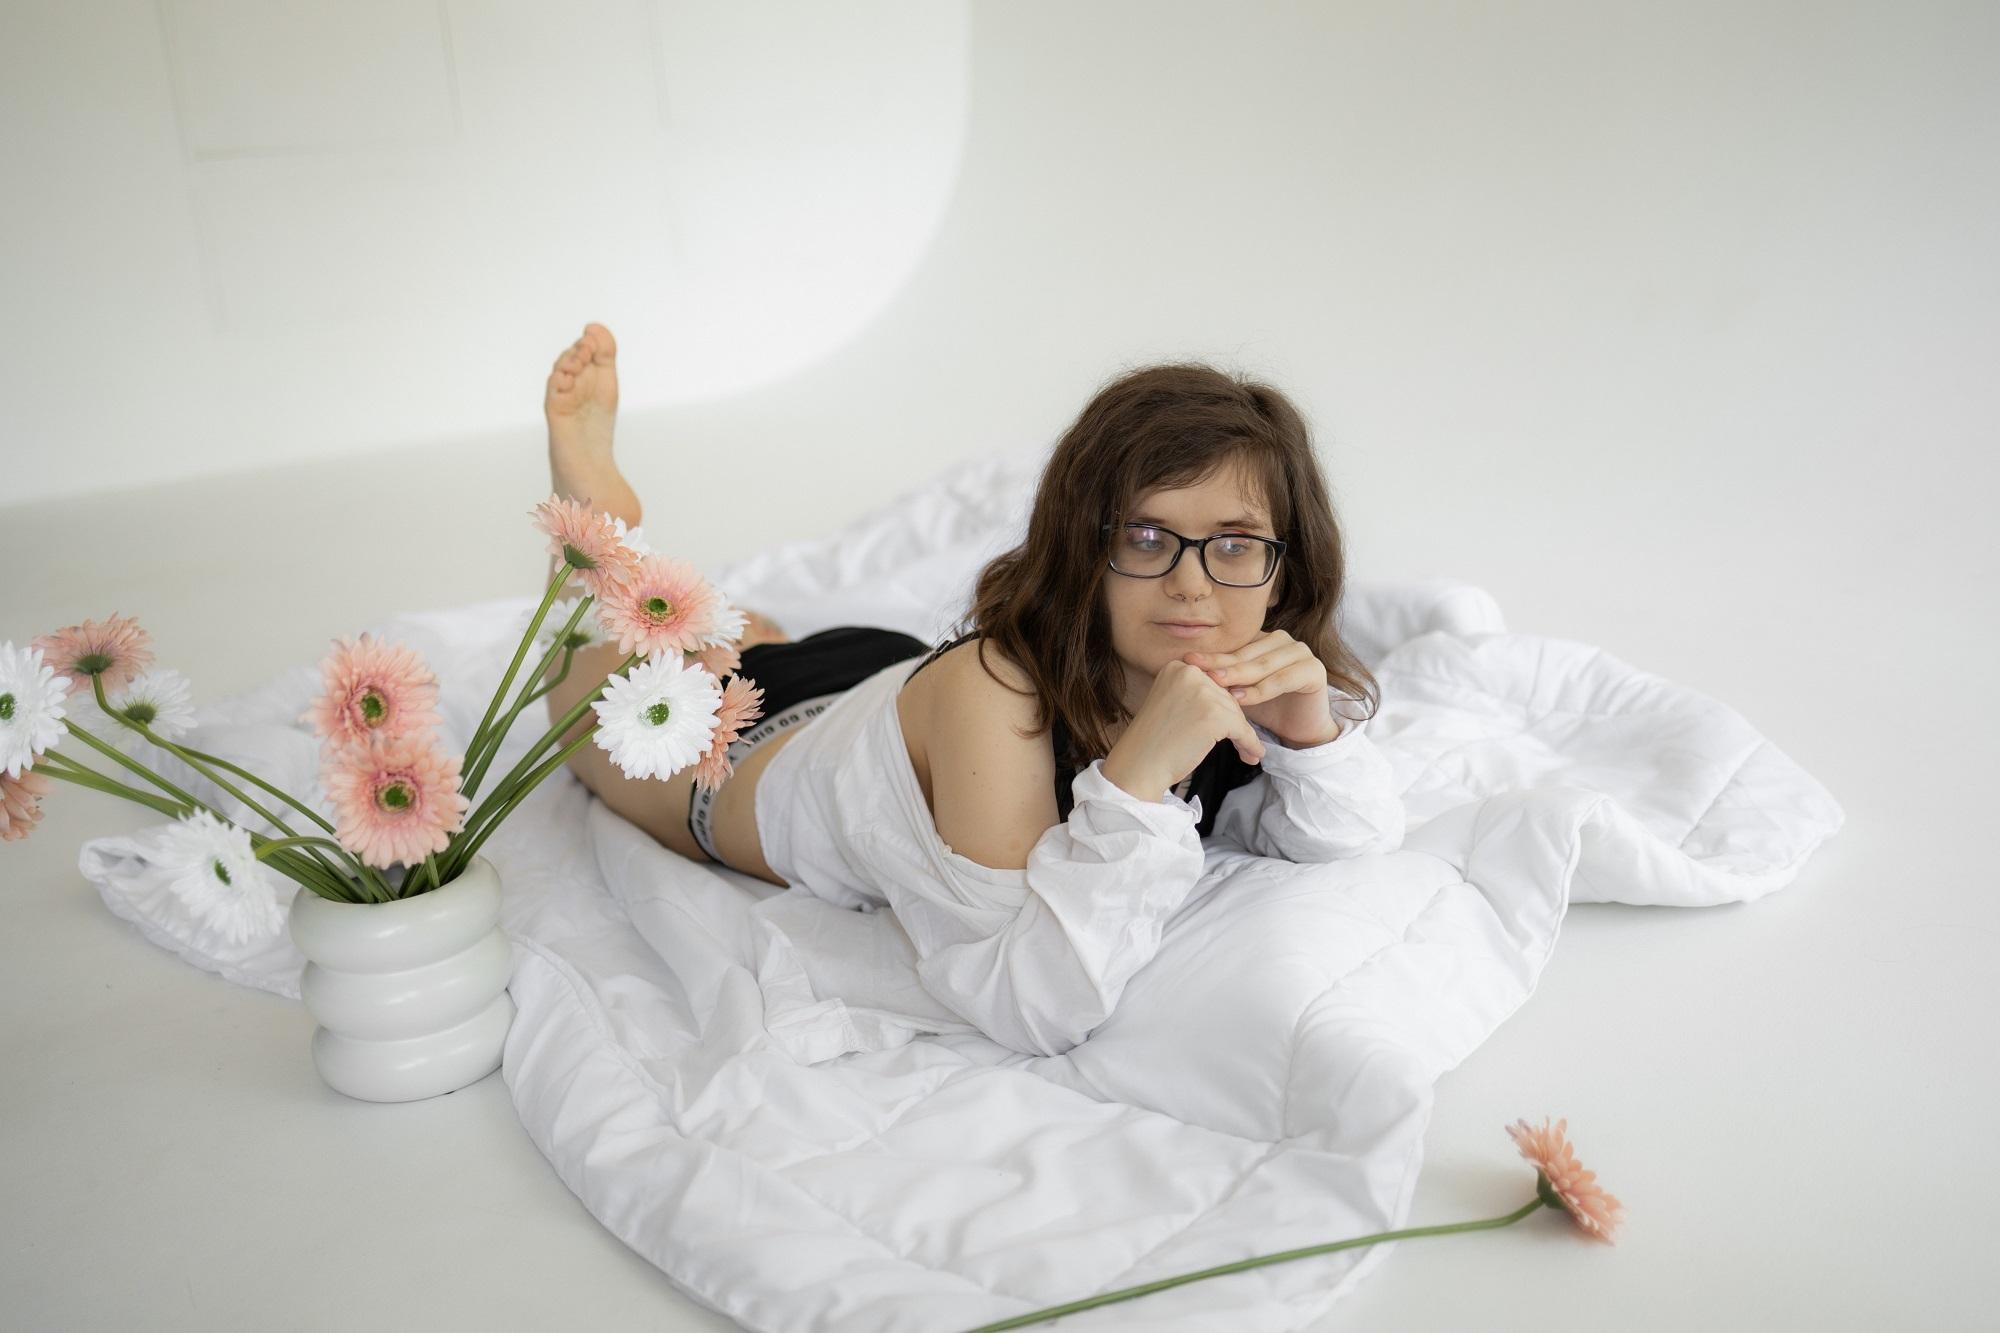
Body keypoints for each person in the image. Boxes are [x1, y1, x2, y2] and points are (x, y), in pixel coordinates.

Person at [541, 323, 1405, 1056]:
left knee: (744, 640)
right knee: (575, 683)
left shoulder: (1240, 674)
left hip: (882, 681)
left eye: (1235, 543)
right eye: (1146, 537)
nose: (1191, 584)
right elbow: (1031, 1002)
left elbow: (1355, 836)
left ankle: (736, 630)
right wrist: (1138, 780)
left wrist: (1310, 735)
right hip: (765, 753)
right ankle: (598, 532)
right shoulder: (996, 692)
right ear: (1084, 545)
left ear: (1285, 568)